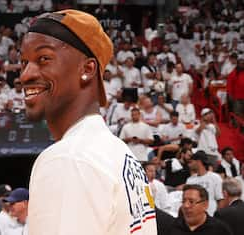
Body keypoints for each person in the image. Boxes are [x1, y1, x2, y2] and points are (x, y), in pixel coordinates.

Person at [21, 10, 157, 235]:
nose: (25, 75)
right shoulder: (119, 151)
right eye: (24, 62)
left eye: (43, 59)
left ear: (87, 69)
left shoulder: (68, 158)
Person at [186, 151, 224, 215]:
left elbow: (220, 199)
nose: (189, 165)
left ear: (198, 162)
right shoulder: (189, 180)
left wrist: (218, 216)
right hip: (195, 215)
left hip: (211, 215)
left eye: (191, 162)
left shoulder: (215, 177)